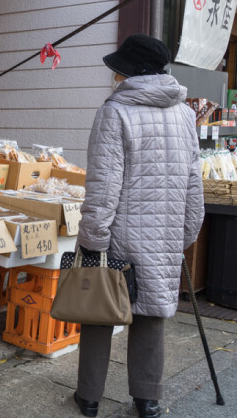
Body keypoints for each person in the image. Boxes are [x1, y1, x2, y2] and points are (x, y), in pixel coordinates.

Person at [73, 34, 204, 418]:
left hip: (119, 237)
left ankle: (89, 398)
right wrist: (184, 236)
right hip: (164, 237)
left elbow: (103, 185)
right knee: (152, 314)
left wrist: (92, 239)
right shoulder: (184, 113)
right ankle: (148, 400)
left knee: (99, 312)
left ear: (132, 71)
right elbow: (193, 187)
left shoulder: (115, 111)